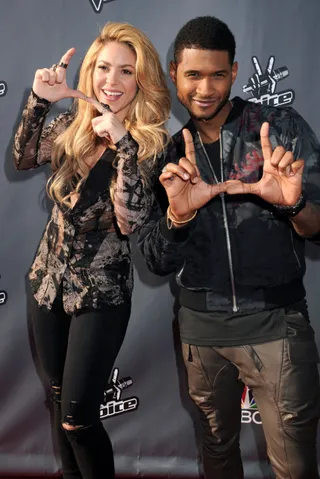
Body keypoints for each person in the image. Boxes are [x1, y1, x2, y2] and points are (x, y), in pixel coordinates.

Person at [138, 15, 320, 479]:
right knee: (217, 458)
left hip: (277, 325)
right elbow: (156, 261)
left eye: (217, 75)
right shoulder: (163, 154)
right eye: (194, 75)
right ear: (175, 72)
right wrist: (178, 215)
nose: (205, 88)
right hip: (202, 333)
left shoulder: (278, 128)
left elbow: (318, 227)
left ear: (234, 74)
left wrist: (293, 203)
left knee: (295, 467)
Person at [13, 22, 170, 479]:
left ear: (142, 79)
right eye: (104, 68)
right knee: (59, 398)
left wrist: (122, 143)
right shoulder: (70, 125)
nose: (112, 81)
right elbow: (23, 157)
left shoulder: (151, 145)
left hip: (100, 297)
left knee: (78, 419)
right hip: (47, 285)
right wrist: (41, 99)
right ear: (90, 72)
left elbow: (131, 220)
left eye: (126, 71)